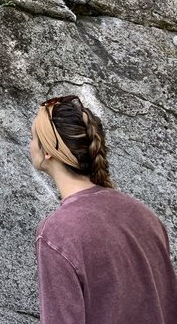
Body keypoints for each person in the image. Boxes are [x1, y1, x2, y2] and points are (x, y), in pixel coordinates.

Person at [30, 95, 177, 323]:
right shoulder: (145, 216)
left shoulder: (57, 233)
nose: (29, 145)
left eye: (32, 137)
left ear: (48, 151)